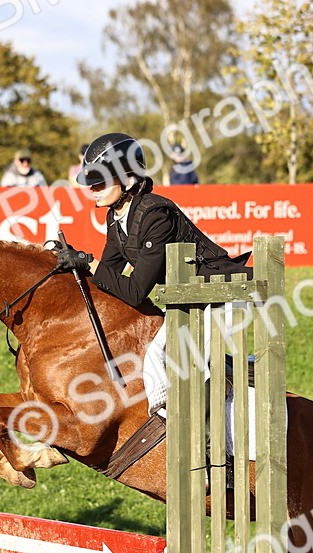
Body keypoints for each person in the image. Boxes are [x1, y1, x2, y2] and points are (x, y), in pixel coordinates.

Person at [61, 132, 251, 415]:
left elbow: (136, 290)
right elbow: (109, 273)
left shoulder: (155, 214)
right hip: (189, 297)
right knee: (163, 355)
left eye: (100, 182)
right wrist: (74, 266)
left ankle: (186, 425)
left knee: (159, 355)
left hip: (220, 292)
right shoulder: (115, 216)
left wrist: (88, 262)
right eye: (91, 183)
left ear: (127, 179)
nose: (93, 189)